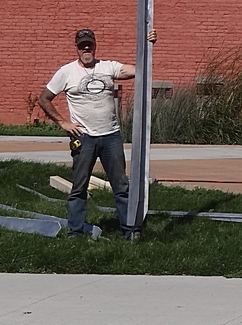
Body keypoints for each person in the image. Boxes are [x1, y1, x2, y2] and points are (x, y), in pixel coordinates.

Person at [39, 27, 155, 240]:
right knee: (79, 187)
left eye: (89, 45)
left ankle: (130, 230)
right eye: (82, 46)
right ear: (76, 48)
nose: (86, 49)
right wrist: (63, 123)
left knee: (121, 186)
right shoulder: (66, 72)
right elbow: (44, 98)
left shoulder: (108, 67)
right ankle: (75, 231)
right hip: (83, 138)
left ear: (94, 46)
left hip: (111, 137)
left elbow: (140, 70)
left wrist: (149, 46)